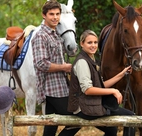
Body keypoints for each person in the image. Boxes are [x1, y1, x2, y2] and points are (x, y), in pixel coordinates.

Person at [67, 30, 135, 136]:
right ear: (82, 44)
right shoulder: (82, 62)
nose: (93, 45)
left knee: (112, 129)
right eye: (89, 43)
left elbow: (101, 85)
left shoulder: (90, 59)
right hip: (84, 107)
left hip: (91, 103)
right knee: (130, 117)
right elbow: (88, 90)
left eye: (95, 42)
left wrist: (122, 74)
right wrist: (113, 90)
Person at [31, 0, 80, 136]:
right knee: (77, 120)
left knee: (51, 125)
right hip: (51, 88)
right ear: (44, 15)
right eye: (51, 14)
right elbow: (41, 63)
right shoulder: (41, 36)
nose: (55, 17)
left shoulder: (56, 35)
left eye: (57, 14)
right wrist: (64, 67)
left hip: (61, 86)